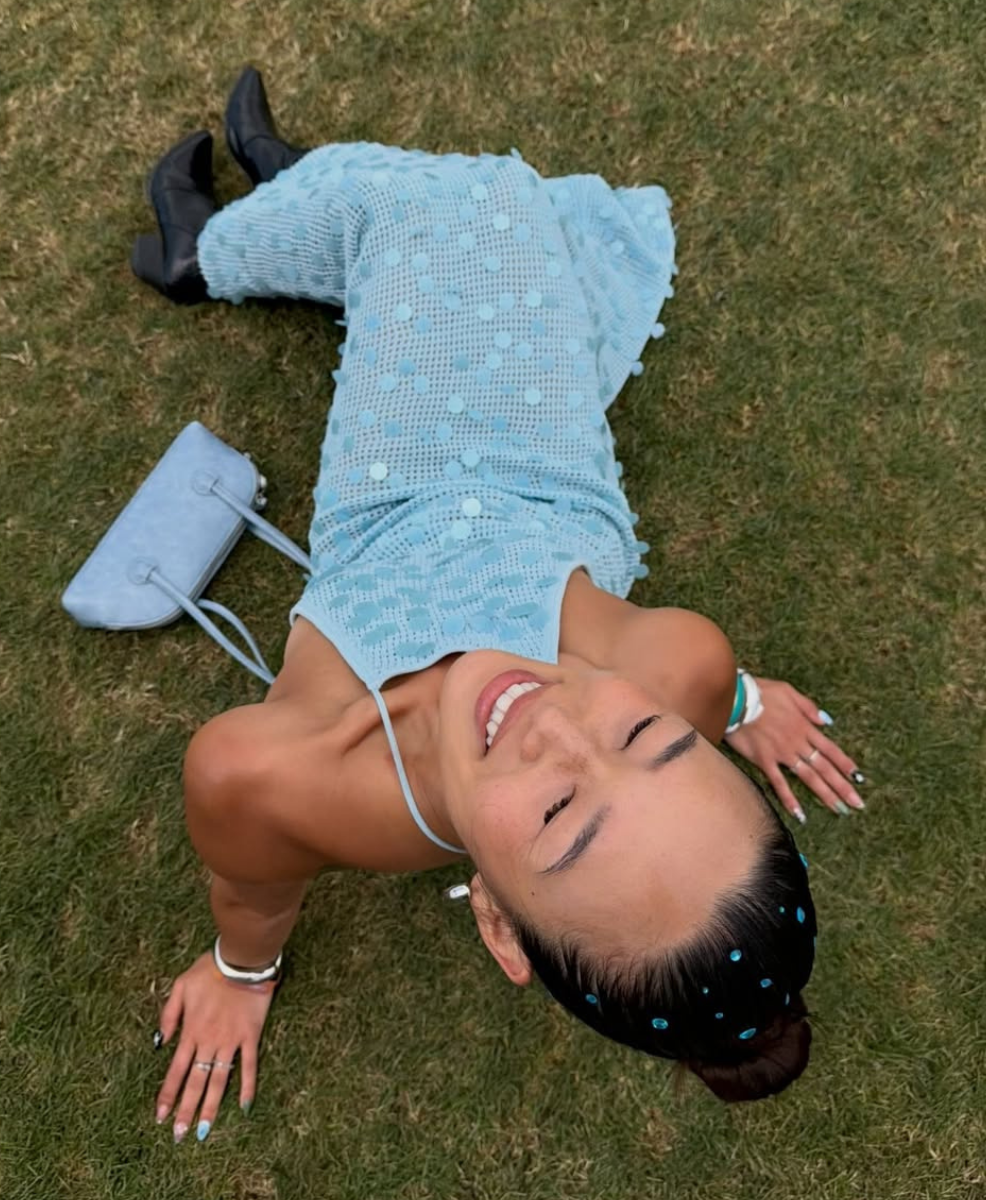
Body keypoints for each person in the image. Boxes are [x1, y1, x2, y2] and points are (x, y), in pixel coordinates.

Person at [134, 68, 866, 1144]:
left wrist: (242, 976)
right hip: (545, 471)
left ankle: (202, 255)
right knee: (494, 201)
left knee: (455, 200)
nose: (554, 719)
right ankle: (321, 206)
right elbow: (698, 691)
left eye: (564, 819)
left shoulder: (267, 774)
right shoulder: (687, 666)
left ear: (497, 925)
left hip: (390, 487)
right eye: (650, 740)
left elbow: (250, 897)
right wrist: (747, 699)